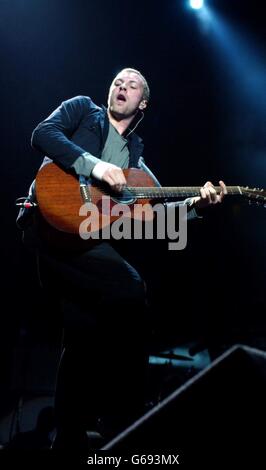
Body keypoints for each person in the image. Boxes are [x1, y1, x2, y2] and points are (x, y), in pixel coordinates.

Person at [17, 68, 227, 452]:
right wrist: (94, 166)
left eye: (132, 84)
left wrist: (198, 204)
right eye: (117, 81)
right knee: (129, 288)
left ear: (142, 103)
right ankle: (123, 414)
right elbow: (42, 135)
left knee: (81, 335)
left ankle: (68, 438)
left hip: (84, 245)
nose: (121, 86)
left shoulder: (138, 166)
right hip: (48, 228)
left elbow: (159, 220)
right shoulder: (82, 110)